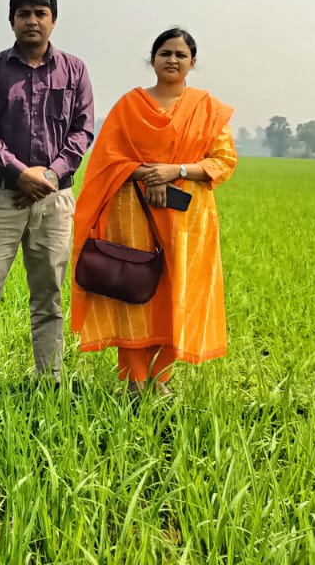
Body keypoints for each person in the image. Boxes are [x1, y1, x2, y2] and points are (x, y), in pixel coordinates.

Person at [70, 28, 237, 395]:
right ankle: (134, 380)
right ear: (153, 59)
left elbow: (223, 160)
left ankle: (160, 379)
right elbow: (107, 158)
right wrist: (148, 174)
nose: (172, 60)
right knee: (134, 290)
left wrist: (175, 170)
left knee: (175, 295)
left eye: (180, 54)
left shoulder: (206, 108)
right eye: (165, 53)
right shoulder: (130, 106)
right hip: (133, 216)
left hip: (186, 221)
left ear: (193, 62)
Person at [0, 0, 94, 388]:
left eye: (40, 13)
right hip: (2, 195)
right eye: (24, 14)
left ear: (53, 20)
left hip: (55, 199)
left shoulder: (74, 70)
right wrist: (20, 173)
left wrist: (49, 175)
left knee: (49, 293)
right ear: (12, 20)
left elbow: (82, 131)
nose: (32, 21)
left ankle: (49, 379)